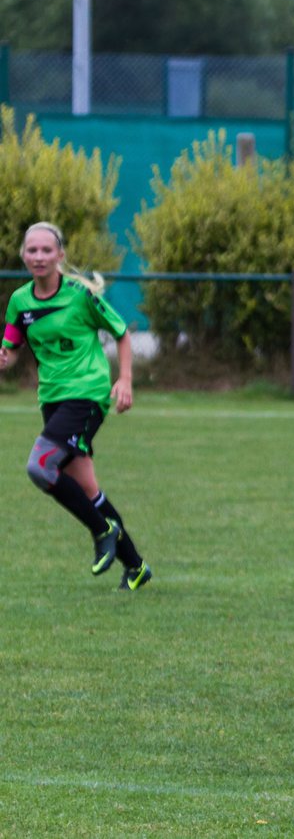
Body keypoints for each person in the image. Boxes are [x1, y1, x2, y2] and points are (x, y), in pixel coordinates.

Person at [0, 221, 152, 590]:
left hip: (86, 395)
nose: (38, 256)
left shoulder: (80, 296)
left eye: (46, 250)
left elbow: (121, 333)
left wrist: (126, 379)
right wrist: (4, 358)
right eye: (32, 250)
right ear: (23, 255)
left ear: (60, 256)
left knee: (40, 466)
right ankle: (136, 567)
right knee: (86, 489)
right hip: (52, 399)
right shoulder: (20, 302)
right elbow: (12, 348)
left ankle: (103, 530)